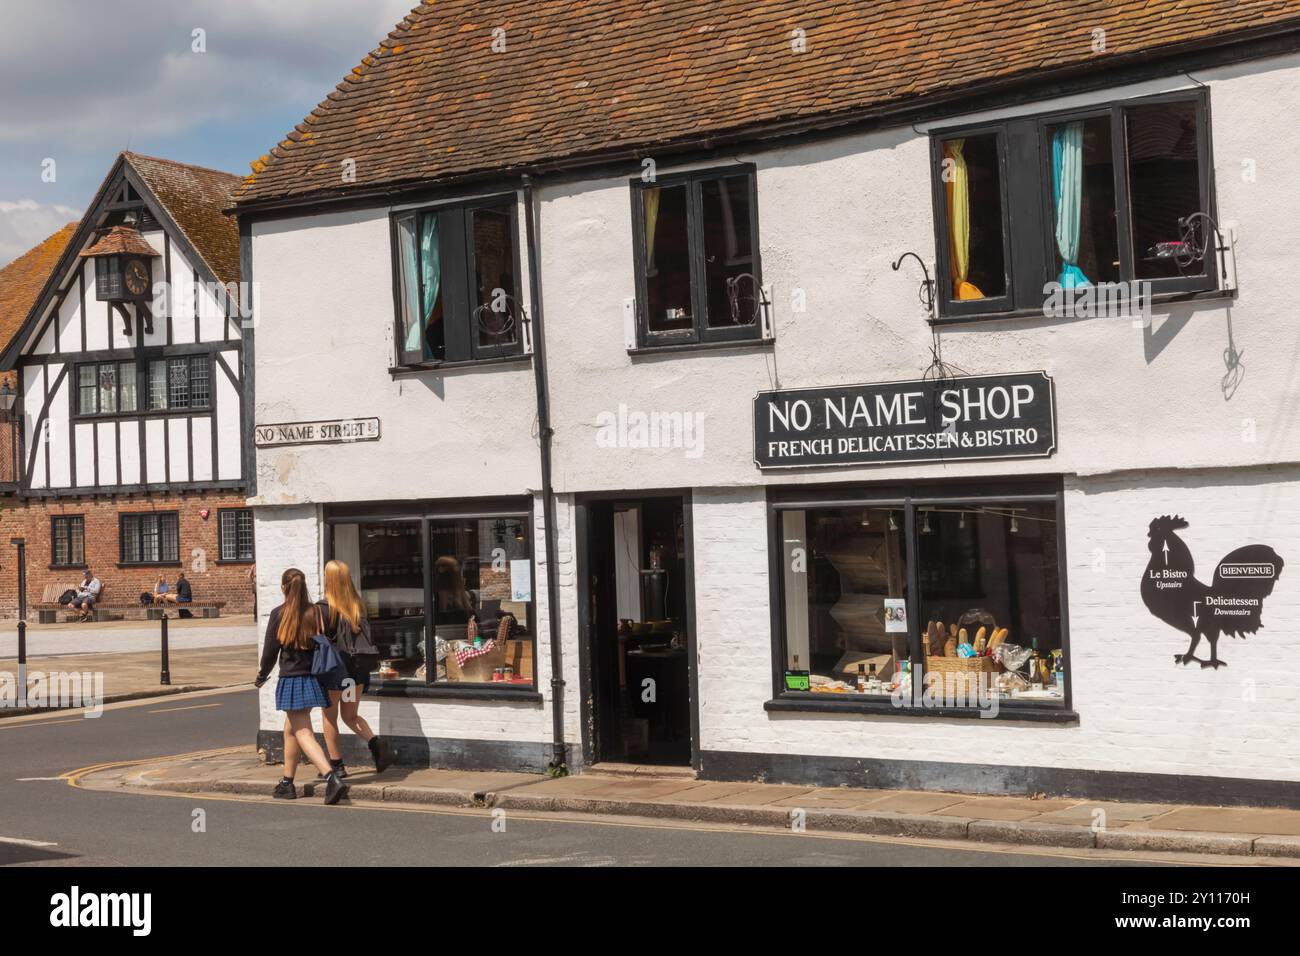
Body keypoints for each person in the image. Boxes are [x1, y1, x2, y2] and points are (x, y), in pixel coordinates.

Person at [254, 568, 348, 805]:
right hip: (313, 678)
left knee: (303, 731)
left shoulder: (279, 614)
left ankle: (330, 777)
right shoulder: (316, 613)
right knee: (291, 729)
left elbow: (269, 652)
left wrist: (261, 676)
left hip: (292, 680)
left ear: (284, 587)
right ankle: (287, 782)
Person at [316, 559, 392, 778]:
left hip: (336, 673)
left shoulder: (324, 609)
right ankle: (376, 744)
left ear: (328, 580)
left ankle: (337, 766)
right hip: (355, 673)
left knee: (330, 718)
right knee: (350, 715)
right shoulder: (358, 605)